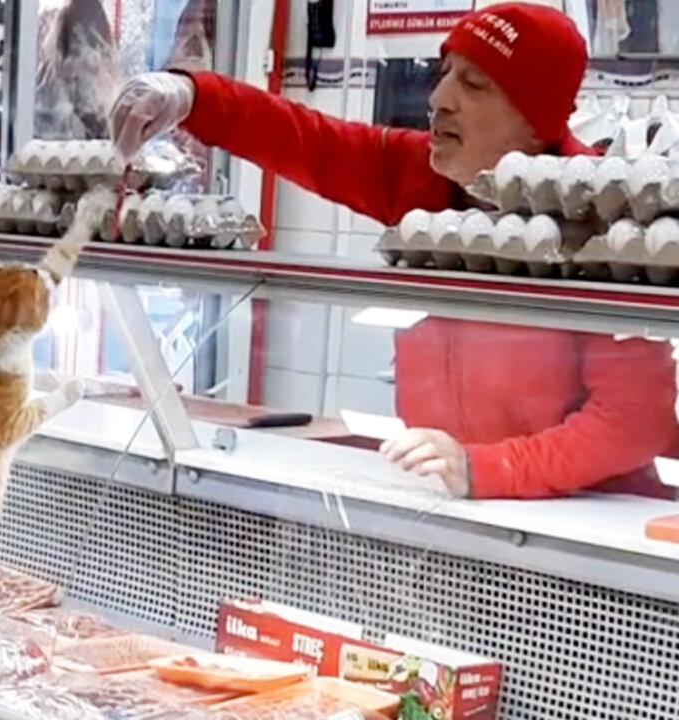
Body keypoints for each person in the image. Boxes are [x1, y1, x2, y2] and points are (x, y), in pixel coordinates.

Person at [109, 3, 679, 501]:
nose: (439, 99)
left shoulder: (598, 220)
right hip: (451, 503)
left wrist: (486, 468)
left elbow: (635, 422)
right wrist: (194, 97)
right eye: (444, 73)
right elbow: (305, 138)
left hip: (585, 529)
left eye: (474, 84)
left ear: (536, 123)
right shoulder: (417, 178)